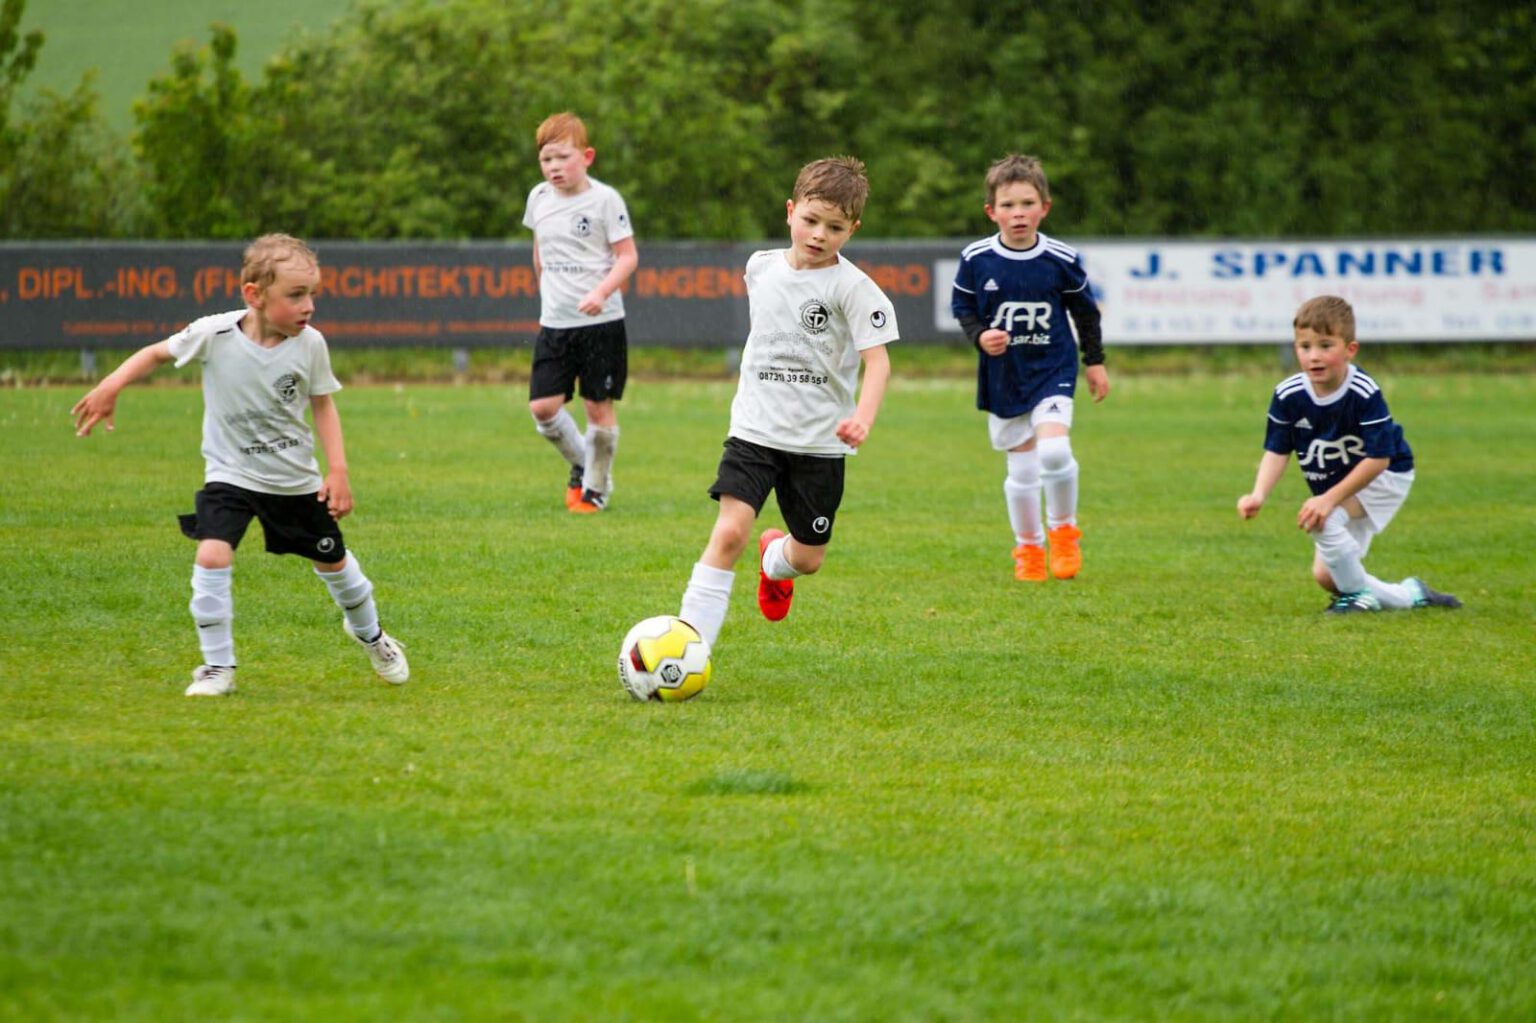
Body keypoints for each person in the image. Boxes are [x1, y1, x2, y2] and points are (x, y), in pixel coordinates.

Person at [71, 234, 410, 696]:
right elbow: (155, 353)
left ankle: (372, 636)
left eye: (312, 294)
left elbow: (323, 405)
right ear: (254, 295)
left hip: (293, 481)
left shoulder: (311, 344)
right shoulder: (215, 334)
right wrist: (111, 385)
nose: (308, 305)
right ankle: (217, 667)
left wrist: (338, 472)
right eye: (295, 295)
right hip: (229, 474)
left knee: (332, 560)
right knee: (212, 552)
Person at [676, 156, 898, 655]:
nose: (819, 234)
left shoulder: (854, 289)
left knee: (809, 557)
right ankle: (688, 648)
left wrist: (862, 418)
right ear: (790, 211)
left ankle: (774, 559)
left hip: (819, 443)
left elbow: (877, 363)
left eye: (835, 227)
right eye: (811, 220)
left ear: (852, 230)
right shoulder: (760, 267)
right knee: (729, 531)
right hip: (754, 431)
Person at [1236, 295, 1461, 613]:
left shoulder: (1363, 391)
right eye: (1305, 346)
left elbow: (1379, 457)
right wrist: (1258, 494)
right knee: (1329, 576)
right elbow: (1277, 449)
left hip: (1386, 473)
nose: (1314, 356)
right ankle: (1411, 594)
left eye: (1325, 346)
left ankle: (1358, 597)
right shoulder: (1288, 395)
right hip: (1344, 483)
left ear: (1349, 349)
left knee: (1320, 517)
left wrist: (1328, 499)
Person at [951, 154, 1109, 583]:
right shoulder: (976, 258)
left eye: (1026, 203)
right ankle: (1029, 548)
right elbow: (963, 308)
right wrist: (981, 335)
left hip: (1052, 369)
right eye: (1007, 205)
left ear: (1045, 207)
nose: (1017, 213)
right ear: (991, 211)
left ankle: (1063, 531)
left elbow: (1086, 313)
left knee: (1055, 451)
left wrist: (1094, 363)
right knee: (1021, 470)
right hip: (1004, 376)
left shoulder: (1061, 258)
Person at [522, 111, 639, 513]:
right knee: (543, 408)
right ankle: (583, 463)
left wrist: (601, 291)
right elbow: (540, 251)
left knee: (596, 406)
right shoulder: (538, 198)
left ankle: (595, 489)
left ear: (586, 157)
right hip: (555, 322)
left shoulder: (605, 200)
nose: (554, 167)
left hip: (601, 321)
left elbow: (627, 257)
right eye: (546, 159)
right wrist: (545, 290)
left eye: (562, 157)